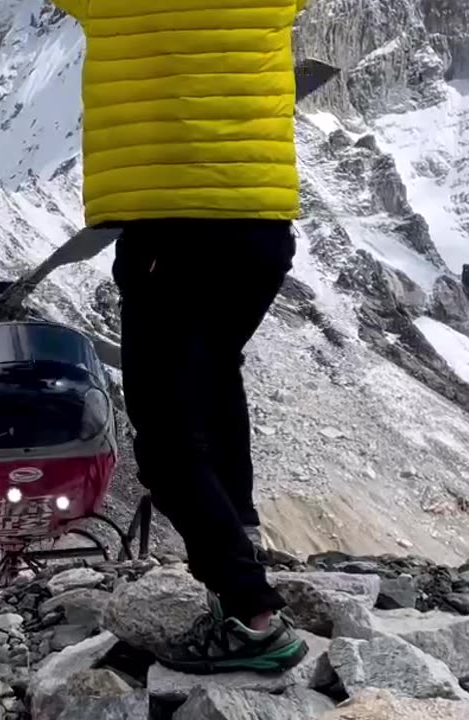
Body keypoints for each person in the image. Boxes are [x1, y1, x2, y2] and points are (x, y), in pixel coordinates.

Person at [47, 0, 315, 674]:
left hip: (172, 235)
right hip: (262, 232)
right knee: (217, 375)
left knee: (166, 442)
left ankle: (252, 619)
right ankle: (242, 538)